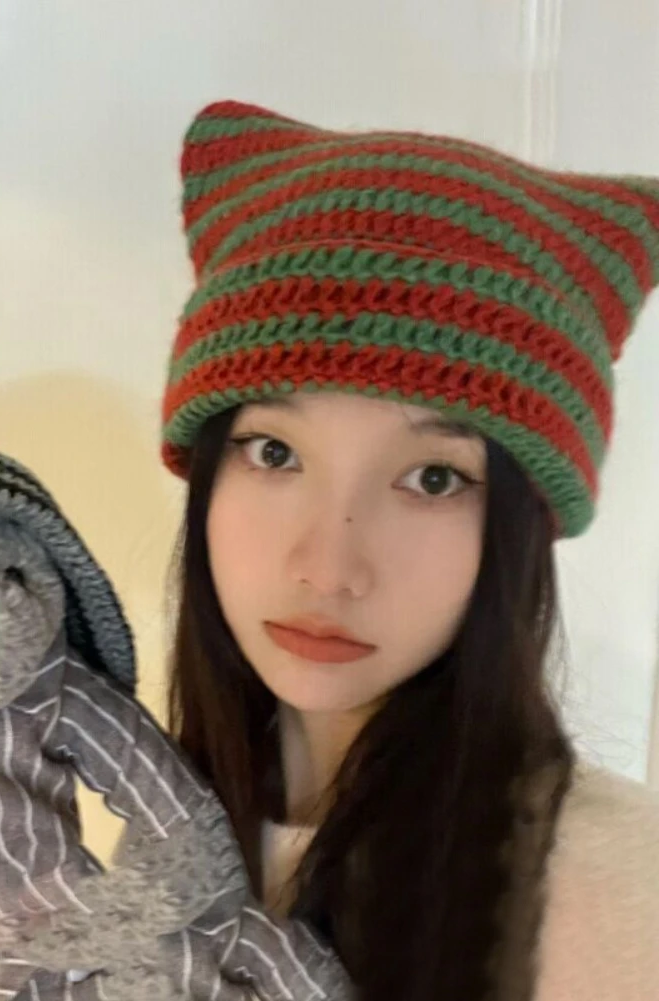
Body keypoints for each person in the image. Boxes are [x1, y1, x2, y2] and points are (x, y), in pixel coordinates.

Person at [158, 99, 659, 1000]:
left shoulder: (623, 904)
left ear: (518, 531)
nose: (328, 567)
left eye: (432, 477)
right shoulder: (168, 832)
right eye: (273, 452)